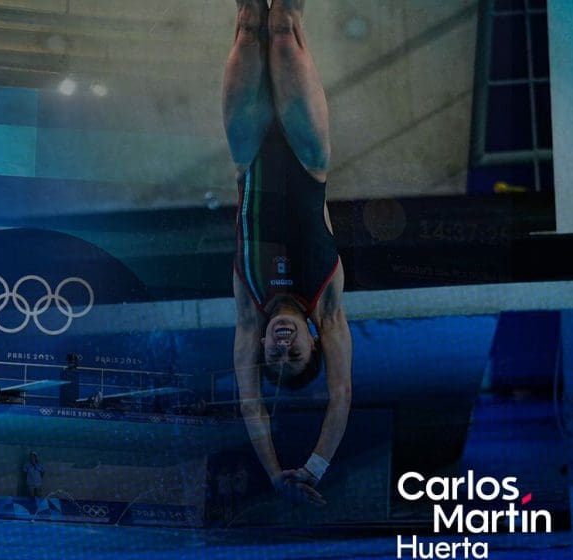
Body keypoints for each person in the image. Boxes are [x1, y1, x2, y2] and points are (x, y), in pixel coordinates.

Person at [224, 0, 351, 506]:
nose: (281, 347)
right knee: (282, 29)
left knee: (249, 22)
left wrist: (274, 474)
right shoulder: (329, 305)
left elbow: (250, 403)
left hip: (248, 152)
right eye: (294, 354)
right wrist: (313, 468)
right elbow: (340, 397)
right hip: (306, 154)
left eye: (273, 358)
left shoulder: (248, 312)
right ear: (314, 341)